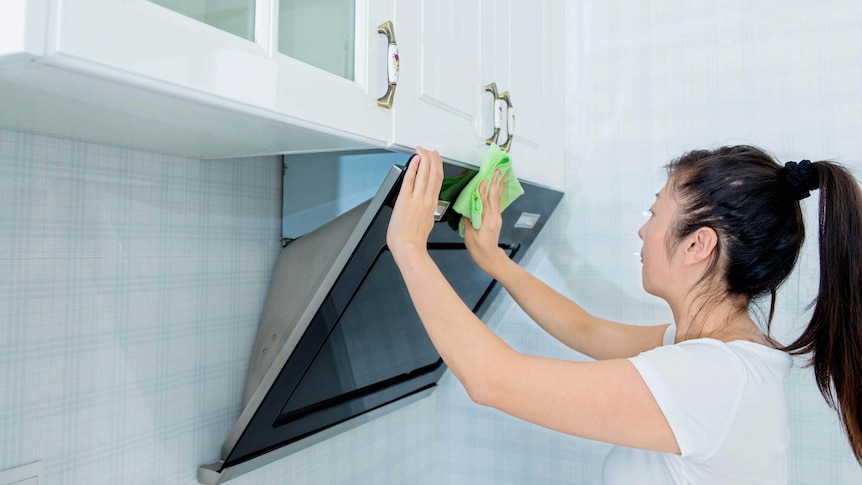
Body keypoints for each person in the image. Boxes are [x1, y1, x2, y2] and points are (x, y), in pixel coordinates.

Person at [386, 145, 862, 484]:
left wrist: (409, 248)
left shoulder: (712, 377)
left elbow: (492, 380)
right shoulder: (718, 353)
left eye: (654, 214)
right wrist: (494, 260)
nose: (642, 231)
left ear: (698, 244)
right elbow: (586, 331)